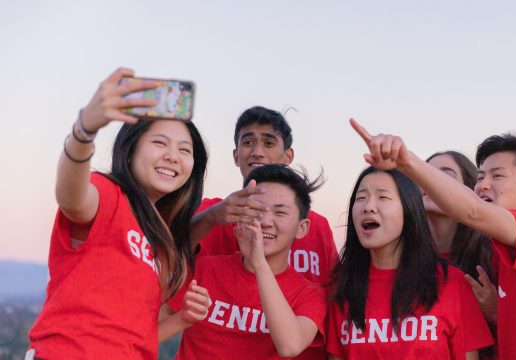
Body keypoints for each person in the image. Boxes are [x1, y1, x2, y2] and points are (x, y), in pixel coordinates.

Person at [350, 119, 516, 359]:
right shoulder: (504, 250)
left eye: (497, 176)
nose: (483, 185)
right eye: (480, 177)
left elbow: (472, 211)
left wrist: (406, 161)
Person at [26, 68, 208, 359]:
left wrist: (181, 319)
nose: (173, 156)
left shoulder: (158, 239)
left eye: (185, 150)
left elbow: (132, 337)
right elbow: (71, 198)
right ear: (131, 148)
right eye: (160, 143)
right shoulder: (108, 194)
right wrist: (84, 130)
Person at [162, 164, 327, 359]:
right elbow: (146, 331)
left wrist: (258, 263)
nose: (265, 221)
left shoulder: (309, 294)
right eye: (256, 209)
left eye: (280, 212)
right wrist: (181, 320)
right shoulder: (205, 269)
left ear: (302, 228)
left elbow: (290, 346)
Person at [326, 166, 493, 359]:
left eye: (383, 197)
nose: (368, 206)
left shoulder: (451, 283)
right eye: (361, 197)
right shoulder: (343, 287)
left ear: (409, 209)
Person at [190, 106, 338, 287]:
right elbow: (169, 256)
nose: (257, 152)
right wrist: (211, 218)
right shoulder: (210, 212)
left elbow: (334, 290)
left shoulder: (317, 227)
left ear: (287, 156)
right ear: (236, 156)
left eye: (269, 143)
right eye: (248, 142)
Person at [425, 151, 499, 359]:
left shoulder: (491, 256)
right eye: (426, 174)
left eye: (445, 176)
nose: (432, 182)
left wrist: (496, 313)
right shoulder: (400, 259)